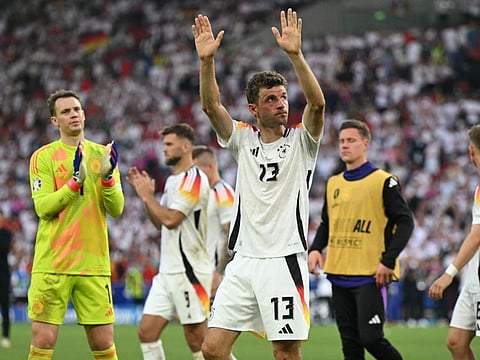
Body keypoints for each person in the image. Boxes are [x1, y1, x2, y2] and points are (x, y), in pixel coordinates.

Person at [193, 7, 326, 360]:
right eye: (271, 99)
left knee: (285, 352)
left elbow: (317, 103)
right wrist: (207, 62)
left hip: (283, 259)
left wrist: (295, 55)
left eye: (282, 97)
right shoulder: (242, 138)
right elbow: (211, 107)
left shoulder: (302, 142)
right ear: (254, 108)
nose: (281, 104)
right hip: (244, 261)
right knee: (213, 350)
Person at [27, 89, 124, 360]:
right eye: (66, 111)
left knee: (104, 343)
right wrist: (74, 183)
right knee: (43, 340)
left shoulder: (102, 154)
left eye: (77, 109)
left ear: (84, 114)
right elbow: (43, 208)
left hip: (93, 265)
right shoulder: (43, 157)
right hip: (53, 264)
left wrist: (106, 180)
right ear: (54, 121)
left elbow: (117, 208)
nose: (73, 115)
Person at [308, 119, 414, 360]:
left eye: (351, 140)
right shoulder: (334, 182)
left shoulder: (383, 181)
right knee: (350, 345)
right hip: (338, 272)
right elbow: (327, 223)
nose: (345, 145)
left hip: (370, 274)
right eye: (342, 141)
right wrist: (315, 249)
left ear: (365, 144)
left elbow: (405, 221)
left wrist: (388, 260)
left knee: (372, 339)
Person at [127, 123, 211, 360]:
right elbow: (160, 222)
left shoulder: (194, 179)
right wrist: (147, 200)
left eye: (169, 144)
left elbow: (171, 219)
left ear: (185, 147)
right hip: (168, 271)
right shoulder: (174, 181)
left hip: (189, 271)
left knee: (198, 341)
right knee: (147, 332)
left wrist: (147, 196)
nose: (163, 149)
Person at [428, 124, 480, 360]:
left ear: (471, 151)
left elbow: (477, 235)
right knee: (456, 342)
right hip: (474, 278)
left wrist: (449, 273)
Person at [192, 145, 235, 299]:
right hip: (205, 273)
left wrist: (219, 272)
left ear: (210, 167)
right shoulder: (205, 194)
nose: (194, 176)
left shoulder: (222, 193)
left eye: (197, 170)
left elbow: (232, 235)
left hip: (218, 278)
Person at [0, 210, 14, 348]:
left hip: (3, 275)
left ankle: (5, 336)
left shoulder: (6, 233)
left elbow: (4, 248)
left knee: (5, 306)